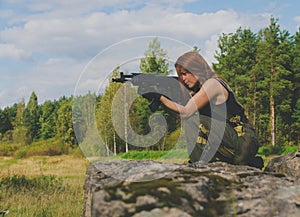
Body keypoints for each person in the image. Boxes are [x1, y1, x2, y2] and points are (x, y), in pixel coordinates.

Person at [142, 51, 264, 169]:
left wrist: (159, 97)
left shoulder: (212, 84)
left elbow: (186, 112)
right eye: (180, 75)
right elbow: (181, 111)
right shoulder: (198, 90)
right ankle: (247, 162)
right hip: (233, 140)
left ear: (197, 70)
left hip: (243, 140)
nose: (183, 79)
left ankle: (198, 164)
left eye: (185, 73)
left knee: (192, 118)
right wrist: (162, 95)